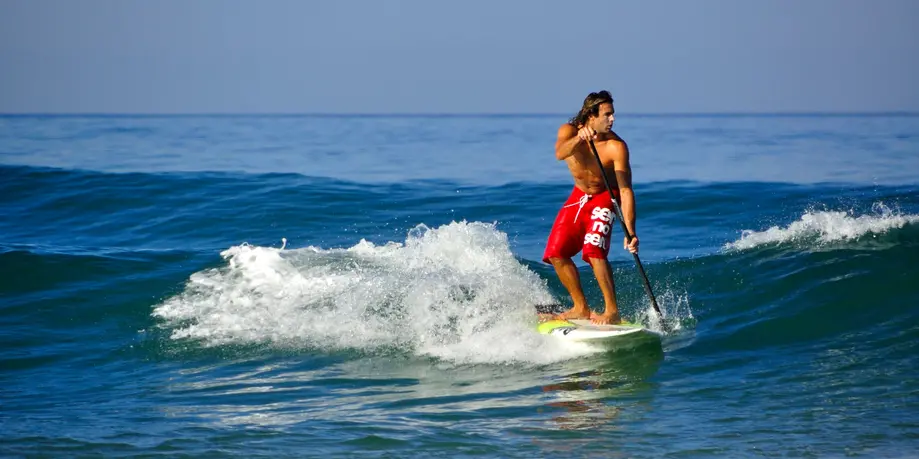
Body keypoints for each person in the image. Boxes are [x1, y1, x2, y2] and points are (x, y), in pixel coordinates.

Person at [542, 90, 639, 325]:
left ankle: (612, 311)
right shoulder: (568, 132)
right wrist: (580, 138)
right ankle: (580, 308)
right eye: (607, 115)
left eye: (613, 114)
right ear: (591, 115)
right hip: (579, 196)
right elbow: (559, 153)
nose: (612, 119)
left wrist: (630, 230)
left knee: (594, 250)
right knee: (556, 253)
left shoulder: (616, 147)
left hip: (606, 195)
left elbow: (625, 190)